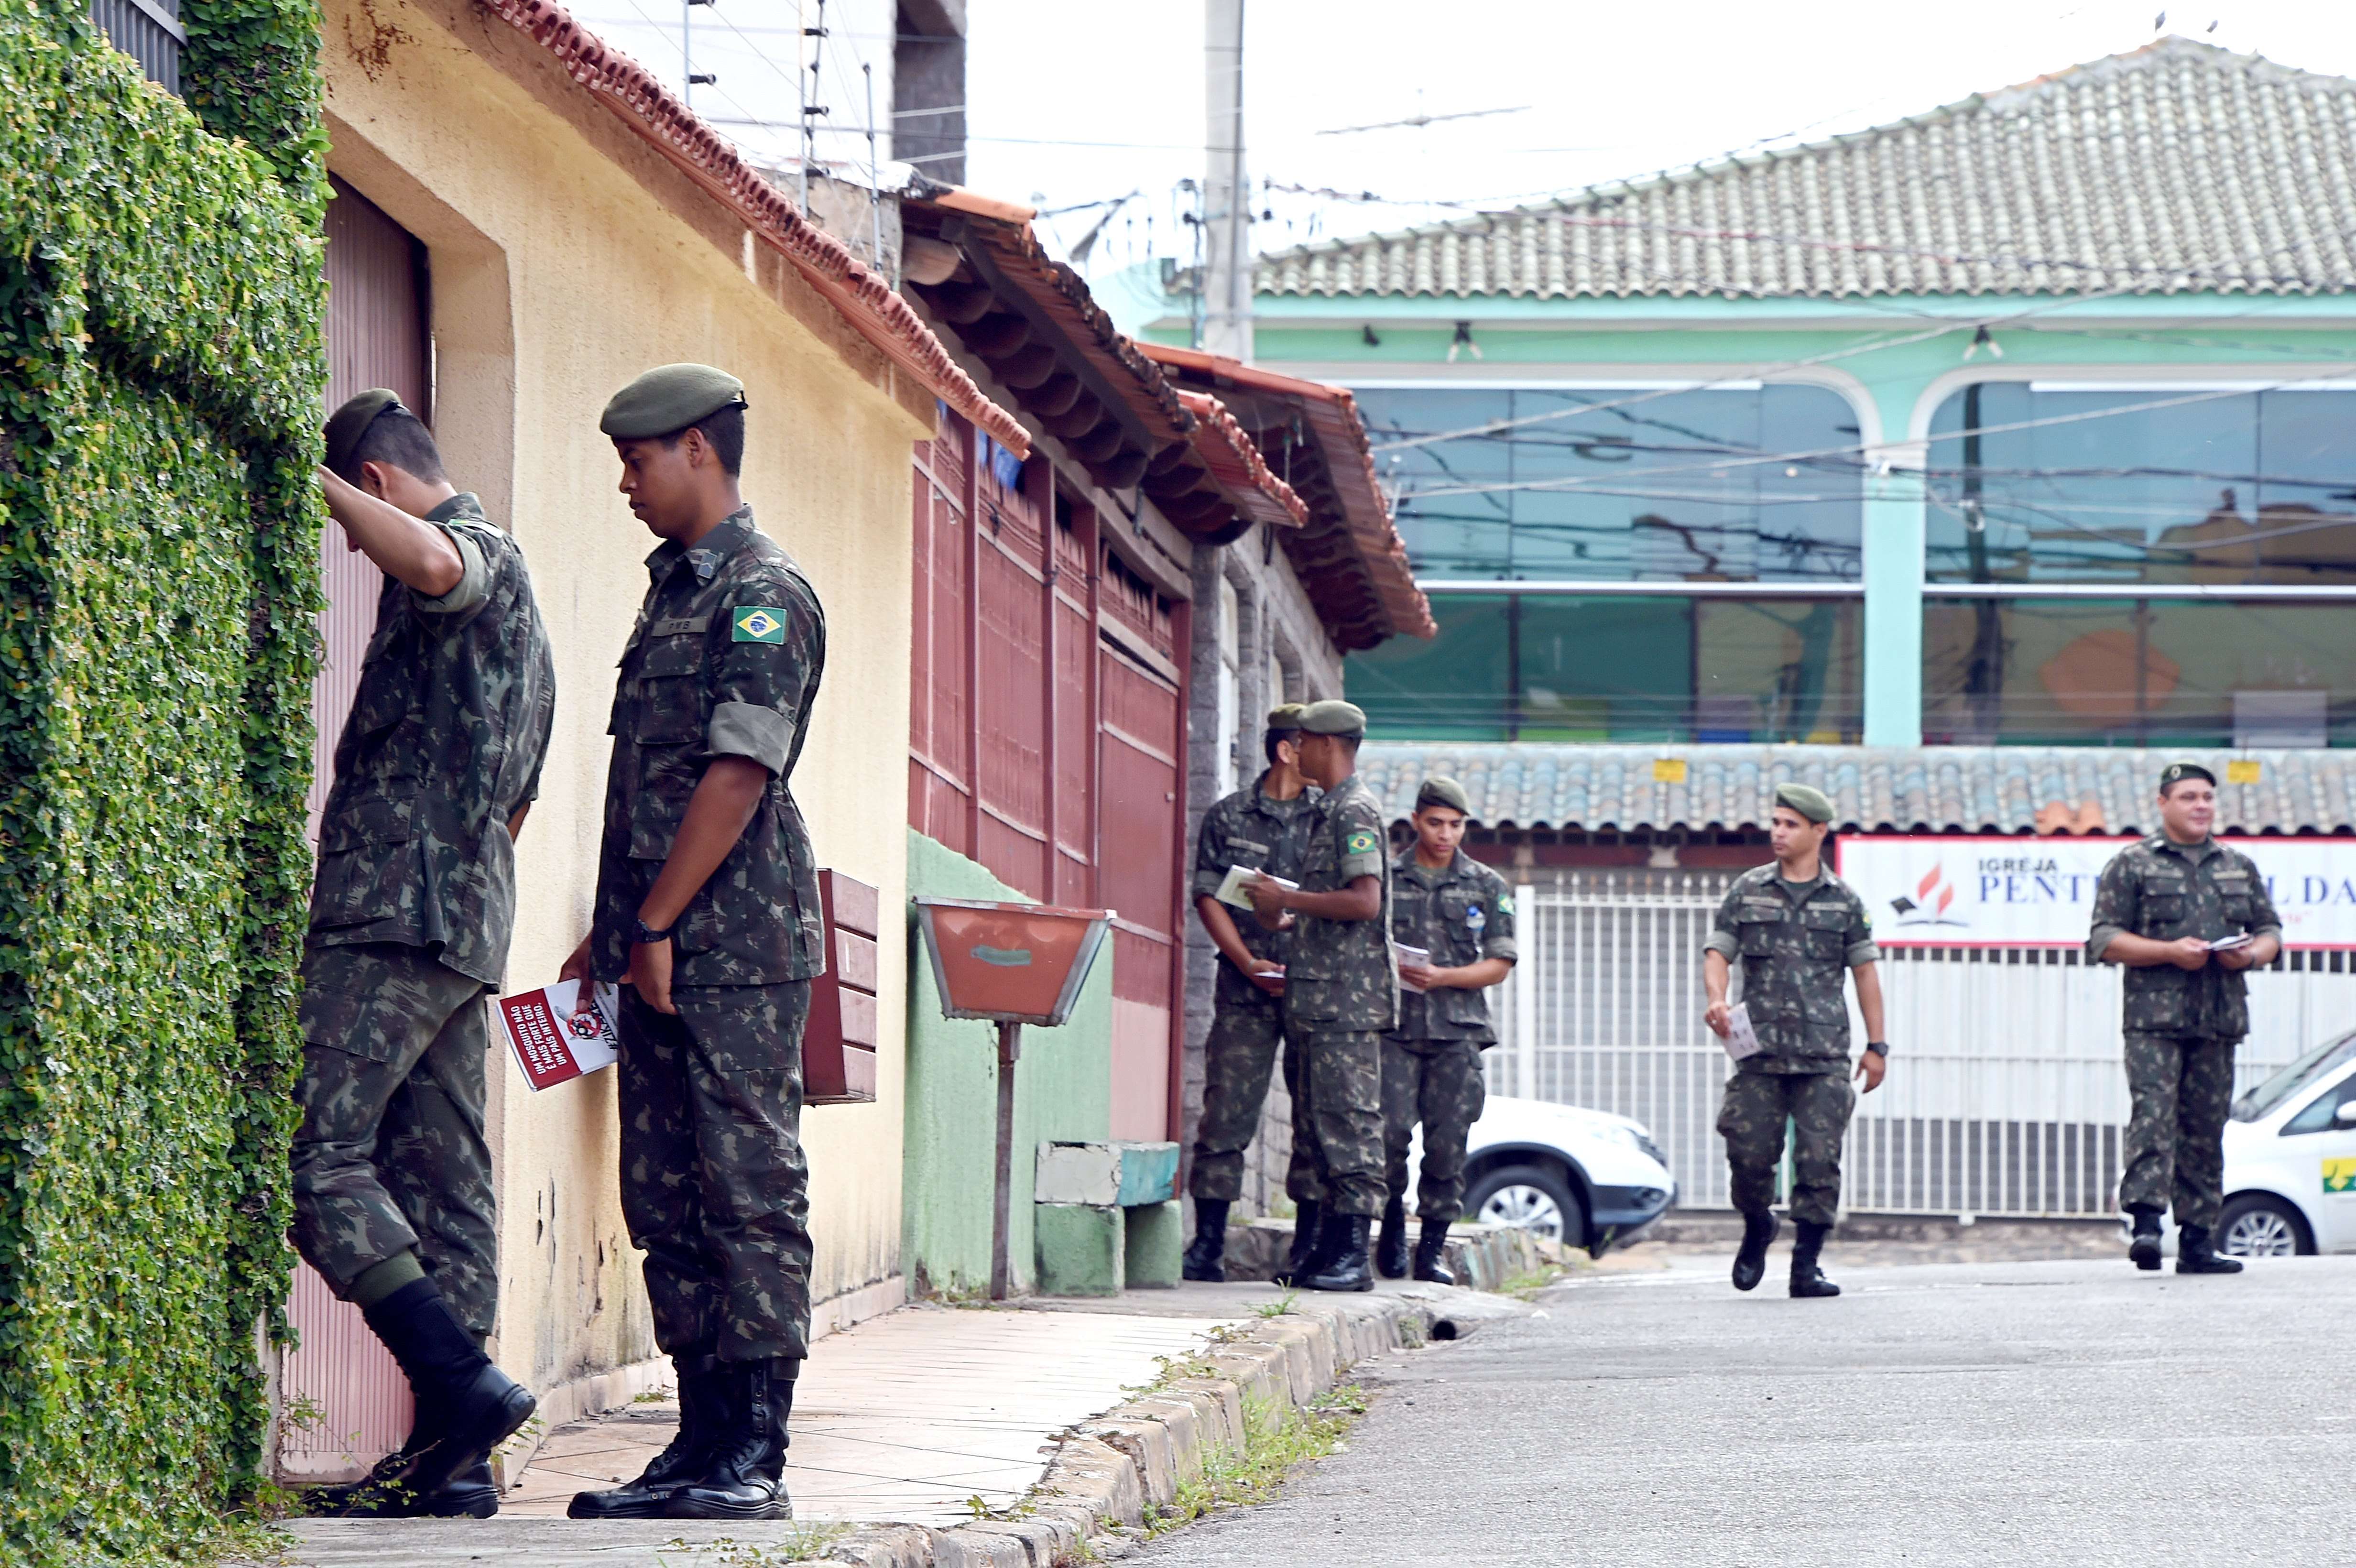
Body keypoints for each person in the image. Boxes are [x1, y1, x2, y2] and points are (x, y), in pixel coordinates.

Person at [560, 365, 827, 1523]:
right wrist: (613, 930)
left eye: (638, 461)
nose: (626, 482)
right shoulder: (671, 593)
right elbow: (650, 785)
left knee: (746, 1188)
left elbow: (737, 773)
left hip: (737, 945)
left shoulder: (761, 594)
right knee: (665, 1194)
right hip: (659, 941)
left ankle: (754, 1452)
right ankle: (700, 1438)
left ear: (698, 452)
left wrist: (659, 920)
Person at [292, 390, 553, 1517]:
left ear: (378, 482)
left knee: (311, 1152)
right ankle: (454, 1462)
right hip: (459, 926)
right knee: (448, 1184)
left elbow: (439, 559)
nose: (361, 549)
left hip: (393, 917)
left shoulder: (471, 554)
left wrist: (311, 479)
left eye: (360, 520)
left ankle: (462, 1386)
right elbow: (519, 799)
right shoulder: (520, 616)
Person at [2087, 762, 2281, 1275]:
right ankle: (2147, 1225)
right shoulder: (2132, 864)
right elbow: (2104, 939)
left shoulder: (2236, 866)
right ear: (2163, 803)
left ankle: (2198, 1239)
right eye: (2188, 797)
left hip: (2218, 1017)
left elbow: (2269, 931)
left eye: (2207, 797)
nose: (2200, 806)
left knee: (2205, 1127)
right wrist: (2169, 951)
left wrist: (2249, 955)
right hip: (2154, 1019)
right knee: (2154, 1116)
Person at [1701, 783, 1887, 1299]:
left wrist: (1877, 1046)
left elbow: (1865, 973)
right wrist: (1716, 999)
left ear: (1818, 831)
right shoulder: (1748, 890)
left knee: (1819, 1161)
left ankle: (1806, 1265)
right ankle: (1757, 1222)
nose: (1778, 832)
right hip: (1758, 1053)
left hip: (1823, 1055)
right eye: (1776, 822)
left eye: (1790, 825)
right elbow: (1718, 952)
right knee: (1747, 1154)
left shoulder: (1843, 901)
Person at [1244, 699, 1396, 1292]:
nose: (1296, 751)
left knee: (1348, 1123)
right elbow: (1333, 908)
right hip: (1320, 998)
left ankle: (1353, 1256)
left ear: (1328, 744)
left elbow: (1364, 901)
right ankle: (1330, 1249)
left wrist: (1288, 899)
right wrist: (1285, 915)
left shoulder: (1353, 810)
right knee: (1318, 1128)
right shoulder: (1329, 809)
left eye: (1303, 741)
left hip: (1346, 1002)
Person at [1182, 704, 1324, 1284]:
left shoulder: (1329, 818)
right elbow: (1207, 895)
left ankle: (1306, 1248)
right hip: (1244, 988)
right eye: (1313, 743)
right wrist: (1245, 961)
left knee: (1314, 1115)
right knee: (1226, 1112)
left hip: (1312, 989)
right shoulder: (1228, 815)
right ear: (1287, 750)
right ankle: (1207, 1244)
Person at [1379, 777, 1516, 1285]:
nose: (1445, 834)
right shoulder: (1387, 878)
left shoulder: (1485, 884)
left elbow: (1499, 963)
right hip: (1393, 1027)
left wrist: (1442, 977)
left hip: (1456, 1032)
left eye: (1455, 825)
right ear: (1416, 821)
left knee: (1447, 1144)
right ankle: (1391, 1227)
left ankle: (1431, 1250)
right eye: (1435, 823)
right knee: (1388, 1136)